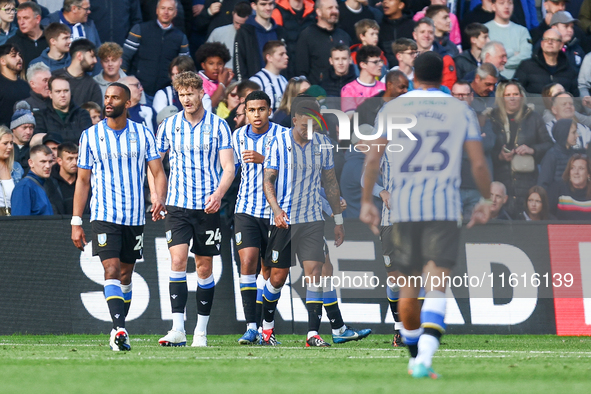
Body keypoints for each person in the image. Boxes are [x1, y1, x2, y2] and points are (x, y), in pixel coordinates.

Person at [359, 51, 492, 378]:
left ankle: (415, 356)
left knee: (407, 289)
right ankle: (424, 360)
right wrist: (487, 198)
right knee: (436, 286)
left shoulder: (392, 108)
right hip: (443, 208)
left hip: (403, 209)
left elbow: (373, 161)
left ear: (414, 74)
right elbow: (477, 163)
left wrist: (366, 201)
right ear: (442, 79)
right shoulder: (460, 109)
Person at [71, 82, 167, 351]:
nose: (109, 101)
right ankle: (119, 329)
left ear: (128, 103)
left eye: (115, 97)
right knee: (111, 269)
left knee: (126, 275)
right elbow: (82, 181)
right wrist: (76, 220)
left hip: (135, 217)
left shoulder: (143, 134)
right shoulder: (90, 135)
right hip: (103, 214)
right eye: (107, 97)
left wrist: (159, 197)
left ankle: (119, 326)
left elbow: (158, 172)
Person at [154, 71, 234, 348]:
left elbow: (229, 168)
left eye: (191, 93)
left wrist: (219, 194)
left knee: (203, 266)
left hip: (207, 207)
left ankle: (201, 331)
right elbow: (155, 164)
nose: (186, 99)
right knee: (177, 261)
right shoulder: (168, 125)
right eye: (182, 94)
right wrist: (156, 195)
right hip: (177, 205)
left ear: (202, 93)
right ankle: (178, 328)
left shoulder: (219, 126)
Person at [262, 97, 345, 347]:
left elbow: (329, 183)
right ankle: (267, 330)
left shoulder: (323, 144)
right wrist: (275, 210)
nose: (309, 131)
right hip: (283, 221)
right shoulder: (276, 143)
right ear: (294, 119)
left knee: (315, 274)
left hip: (312, 220)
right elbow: (268, 181)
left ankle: (312, 334)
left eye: (314, 126)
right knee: (277, 277)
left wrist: (338, 219)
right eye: (304, 126)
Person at [231, 91, 287, 344]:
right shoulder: (238, 136)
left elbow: (292, 170)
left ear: (269, 110)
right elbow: (229, 170)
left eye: (261, 109)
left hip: (275, 213)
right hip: (246, 210)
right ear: (245, 111)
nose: (256, 115)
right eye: (251, 110)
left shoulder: (283, 135)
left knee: (272, 274)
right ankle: (251, 326)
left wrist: (264, 159)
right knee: (248, 262)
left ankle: (268, 326)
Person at [488, 80, 553, 216]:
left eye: (516, 94)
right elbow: (485, 150)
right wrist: (499, 156)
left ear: (521, 96)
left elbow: (548, 145)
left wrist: (532, 150)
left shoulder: (534, 117)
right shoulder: (492, 118)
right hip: (501, 181)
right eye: (508, 94)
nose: (512, 97)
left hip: (527, 181)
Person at [122, 0, 190, 100]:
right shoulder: (140, 29)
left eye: (170, 9)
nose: (166, 12)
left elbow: (185, 67)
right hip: (139, 91)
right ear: (157, 10)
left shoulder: (181, 37)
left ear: (175, 13)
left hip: (166, 94)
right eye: (163, 8)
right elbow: (124, 59)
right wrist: (126, 83)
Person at [295, 0, 351, 85]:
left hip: (344, 92)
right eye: (330, 8)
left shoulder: (344, 35)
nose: (335, 11)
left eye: (336, 8)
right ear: (319, 12)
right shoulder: (307, 35)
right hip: (318, 93)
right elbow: (301, 70)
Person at [514, 29, 578, 96]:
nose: (550, 42)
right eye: (546, 39)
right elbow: (517, 91)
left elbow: (575, 98)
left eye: (554, 40)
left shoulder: (570, 70)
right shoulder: (526, 66)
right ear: (542, 44)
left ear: (561, 45)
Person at [233, 0, 284, 81]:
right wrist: (244, 86)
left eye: (270, 4)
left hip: (279, 86)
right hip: (253, 87)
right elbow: (239, 63)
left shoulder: (280, 31)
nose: (268, 8)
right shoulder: (245, 32)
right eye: (263, 4)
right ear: (254, 6)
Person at [33, 75, 92, 143]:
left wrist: (52, 137)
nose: (63, 95)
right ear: (50, 94)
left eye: (66, 91)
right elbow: (39, 141)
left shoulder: (83, 114)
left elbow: (87, 138)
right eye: (58, 91)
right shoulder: (40, 116)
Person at [485, 0, 532, 79]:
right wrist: (513, 53)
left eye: (510, 3)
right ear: (493, 6)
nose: (507, 7)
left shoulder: (522, 31)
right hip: (493, 81)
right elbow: (487, 58)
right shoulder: (485, 30)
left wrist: (502, 62)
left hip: (518, 81)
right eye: (501, 3)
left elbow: (526, 55)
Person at [272, 0, 316, 78]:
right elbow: (275, 44)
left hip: (310, 68)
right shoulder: (278, 11)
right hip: (287, 69)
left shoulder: (314, 10)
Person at [52, 38, 102, 107]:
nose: (95, 61)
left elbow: (96, 114)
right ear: (79, 56)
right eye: (92, 56)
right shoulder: (54, 77)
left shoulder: (92, 86)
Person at [539, 118, 584, 190]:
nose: (577, 135)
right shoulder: (551, 155)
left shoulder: (575, 155)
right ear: (564, 134)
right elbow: (543, 184)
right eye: (574, 132)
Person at [412, 18, 457, 90]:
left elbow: (448, 85)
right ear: (415, 35)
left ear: (434, 36)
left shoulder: (445, 58)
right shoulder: (407, 55)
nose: (426, 35)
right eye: (422, 32)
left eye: (430, 32)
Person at [10, 143, 53, 215]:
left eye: (50, 161)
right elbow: (19, 223)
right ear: (31, 163)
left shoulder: (45, 184)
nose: (48, 166)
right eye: (43, 161)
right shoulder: (24, 187)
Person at [341, 45, 385, 113]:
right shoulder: (349, 89)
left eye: (380, 61)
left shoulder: (385, 87)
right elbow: (350, 118)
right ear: (363, 65)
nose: (381, 65)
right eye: (375, 62)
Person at [206, 2, 251, 70]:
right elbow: (206, 55)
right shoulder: (218, 33)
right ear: (233, 14)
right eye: (236, 23)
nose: (238, 27)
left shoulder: (254, 35)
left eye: (242, 24)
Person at [548, 153, 591, 220]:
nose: (576, 172)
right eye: (572, 168)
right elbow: (548, 214)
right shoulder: (558, 188)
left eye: (581, 168)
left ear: (588, 174)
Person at [6, 2, 47, 69]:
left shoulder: (51, 39)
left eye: (26, 18)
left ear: (38, 19)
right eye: (19, 18)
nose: (21, 22)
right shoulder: (12, 43)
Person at [249, 41, 288, 112]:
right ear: (269, 57)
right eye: (281, 54)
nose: (286, 57)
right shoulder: (256, 81)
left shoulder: (284, 80)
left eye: (286, 53)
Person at [195, 42, 233, 109]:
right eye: (211, 63)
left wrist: (227, 85)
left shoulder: (225, 78)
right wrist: (222, 84)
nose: (215, 67)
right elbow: (210, 106)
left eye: (220, 64)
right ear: (203, 65)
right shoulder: (197, 82)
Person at [0, 43, 30, 127]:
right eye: (14, 56)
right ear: (2, 61)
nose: (19, 59)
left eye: (19, 55)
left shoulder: (25, 85)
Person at [377, 0, 414, 67]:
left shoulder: (413, 26)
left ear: (401, 5)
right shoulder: (378, 28)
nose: (385, 1)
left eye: (390, 0)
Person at [0, 125, 23, 215]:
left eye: (11, 143)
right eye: (5, 143)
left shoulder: (17, 168)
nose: (10, 147)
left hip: (12, 217)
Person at [10, 101, 35, 173]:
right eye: (24, 127)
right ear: (14, 128)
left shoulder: (34, 148)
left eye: (31, 128)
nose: (28, 132)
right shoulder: (6, 148)